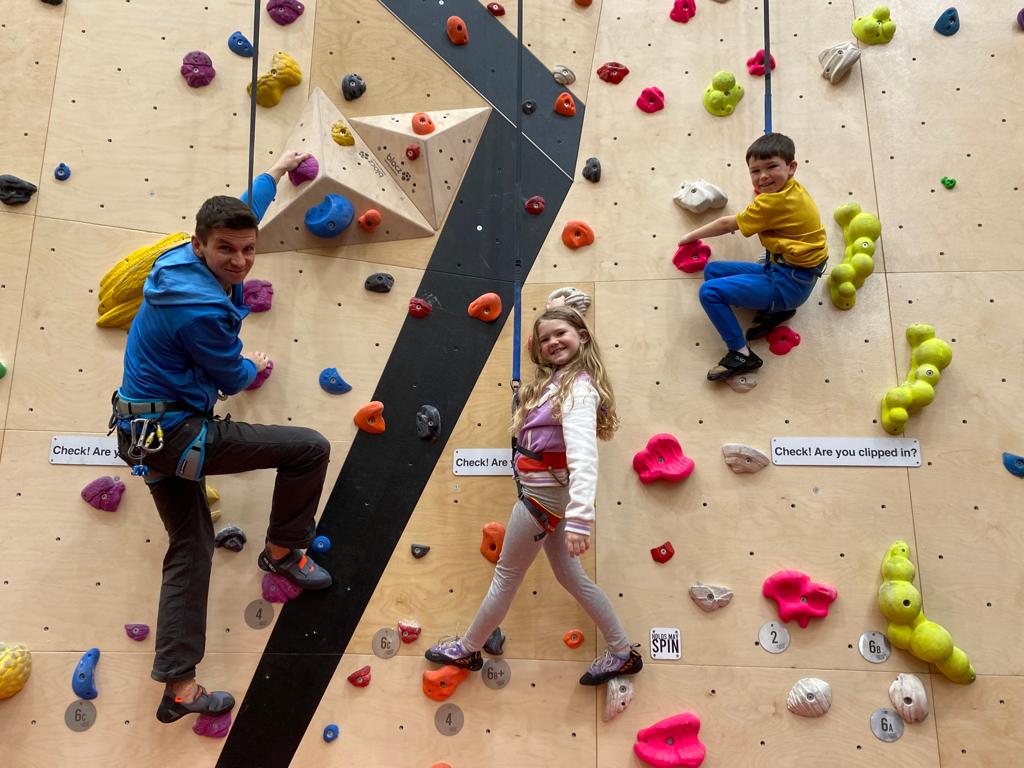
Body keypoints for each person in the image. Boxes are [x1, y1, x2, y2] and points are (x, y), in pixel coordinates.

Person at [110, 150, 334, 725]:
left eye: (248, 250)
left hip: (144, 431)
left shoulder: (178, 258)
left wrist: (276, 174)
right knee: (309, 448)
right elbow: (232, 376)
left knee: (191, 548)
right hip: (178, 432)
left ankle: (177, 688)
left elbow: (239, 214)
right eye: (227, 250)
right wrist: (251, 364)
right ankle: (283, 552)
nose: (240, 261)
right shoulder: (202, 310)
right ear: (200, 244)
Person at [425, 303, 643, 687]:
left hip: (542, 501)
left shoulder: (577, 389)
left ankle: (467, 647)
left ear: (583, 337)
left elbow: (583, 457)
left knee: (507, 574)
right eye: (545, 339)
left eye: (561, 333)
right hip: (545, 496)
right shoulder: (559, 383)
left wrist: (579, 519)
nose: (553, 342)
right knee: (571, 577)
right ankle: (622, 652)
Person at [678, 132, 828, 381]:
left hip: (788, 283)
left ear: (791, 167)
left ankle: (741, 354)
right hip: (787, 271)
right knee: (712, 271)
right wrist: (765, 186)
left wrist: (689, 237)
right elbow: (764, 200)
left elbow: (728, 224)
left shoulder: (773, 204)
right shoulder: (791, 189)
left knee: (709, 292)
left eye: (771, 167)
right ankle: (778, 311)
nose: (763, 176)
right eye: (755, 171)